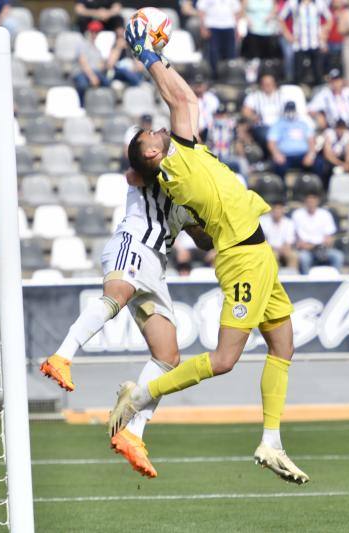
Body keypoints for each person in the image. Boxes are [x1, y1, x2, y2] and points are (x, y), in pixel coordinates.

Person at [118, 23, 310, 484]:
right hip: (244, 259)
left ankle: (271, 440)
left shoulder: (184, 160)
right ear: (153, 155)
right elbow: (183, 100)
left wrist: (159, 53)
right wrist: (147, 52)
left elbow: (202, 237)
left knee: (283, 344)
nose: (158, 129)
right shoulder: (177, 161)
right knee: (224, 360)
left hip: (257, 255)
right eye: (151, 135)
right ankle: (141, 397)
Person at [40, 168, 213, 478]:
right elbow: (134, 172)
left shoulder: (189, 193)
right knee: (116, 296)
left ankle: (133, 432)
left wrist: (208, 210)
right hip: (132, 245)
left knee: (168, 356)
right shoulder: (157, 165)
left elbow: (204, 241)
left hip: (156, 267)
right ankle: (61, 356)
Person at [279, 0, 331, 86]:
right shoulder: (293, 3)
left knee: (318, 73)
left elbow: (329, 18)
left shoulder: (318, 3)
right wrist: (288, 35)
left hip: (315, 43)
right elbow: (281, 18)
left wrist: (324, 33)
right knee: (298, 74)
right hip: (299, 44)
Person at [292, 191, 344, 273]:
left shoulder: (325, 214)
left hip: (323, 249)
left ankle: (336, 282)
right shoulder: (298, 214)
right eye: (309, 201)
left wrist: (322, 245)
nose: (311, 203)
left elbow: (329, 238)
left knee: (338, 256)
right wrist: (309, 246)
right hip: (306, 250)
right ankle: (306, 284)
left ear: (317, 201)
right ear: (305, 202)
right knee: (304, 258)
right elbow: (298, 240)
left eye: (313, 201)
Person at [267, 101, 322, 178]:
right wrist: (277, 154)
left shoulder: (303, 123)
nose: (290, 112)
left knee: (318, 163)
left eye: (292, 110)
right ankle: (282, 189)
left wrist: (310, 155)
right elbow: (271, 142)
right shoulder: (278, 124)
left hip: (303, 155)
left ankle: (317, 187)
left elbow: (311, 141)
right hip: (285, 156)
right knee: (277, 166)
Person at [197, 0, 241, 79]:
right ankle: (214, 77)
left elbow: (236, 12)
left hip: (229, 26)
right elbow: (201, 11)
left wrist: (237, 29)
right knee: (213, 54)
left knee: (230, 54)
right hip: (213, 26)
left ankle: (229, 76)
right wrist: (203, 27)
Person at [242, 73, 284, 152]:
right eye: (265, 84)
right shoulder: (254, 96)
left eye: (269, 84)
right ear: (261, 85)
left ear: (274, 84)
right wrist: (252, 116)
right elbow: (245, 111)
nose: (267, 86)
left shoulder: (282, 95)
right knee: (267, 136)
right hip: (262, 126)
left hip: (280, 126)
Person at [73, 20, 111, 106]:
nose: (94, 34)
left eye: (97, 32)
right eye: (92, 31)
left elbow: (101, 66)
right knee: (83, 85)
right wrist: (92, 77)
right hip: (81, 72)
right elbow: (82, 63)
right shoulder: (82, 43)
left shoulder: (98, 49)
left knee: (107, 83)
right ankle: (81, 106)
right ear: (88, 31)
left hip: (95, 72)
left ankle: (101, 106)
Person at [260, 199, 298, 269]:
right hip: (269, 249)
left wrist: (283, 249)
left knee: (293, 256)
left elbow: (289, 242)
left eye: (279, 209)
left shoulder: (289, 223)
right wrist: (274, 249)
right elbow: (263, 240)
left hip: (284, 249)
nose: (277, 211)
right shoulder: (263, 221)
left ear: (283, 210)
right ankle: (275, 278)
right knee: (273, 255)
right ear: (271, 210)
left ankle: (292, 278)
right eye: (275, 208)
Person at [321, 118, 349, 182]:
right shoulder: (329, 134)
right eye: (338, 128)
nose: (340, 130)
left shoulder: (348, 134)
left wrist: (348, 163)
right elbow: (327, 155)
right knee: (326, 167)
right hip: (331, 159)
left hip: (342, 157)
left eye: (342, 128)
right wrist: (341, 164)